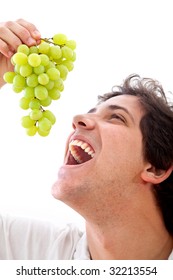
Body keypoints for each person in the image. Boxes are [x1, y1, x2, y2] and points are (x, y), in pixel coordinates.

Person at [0, 19, 173, 260]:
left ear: (155, 168)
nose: (78, 119)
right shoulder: (24, 249)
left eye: (116, 118)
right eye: (90, 112)